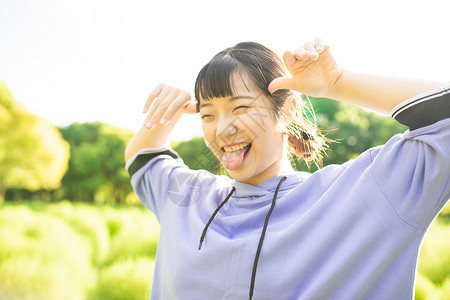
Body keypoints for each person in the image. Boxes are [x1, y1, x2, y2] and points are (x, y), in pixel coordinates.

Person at [124, 38, 449, 300]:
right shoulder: (188, 198)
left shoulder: (360, 196)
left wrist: (337, 82)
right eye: (208, 114)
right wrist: (167, 111)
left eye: (240, 108)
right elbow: (142, 157)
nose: (222, 129)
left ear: (288, 109)